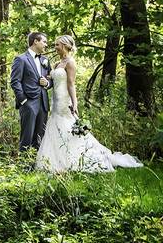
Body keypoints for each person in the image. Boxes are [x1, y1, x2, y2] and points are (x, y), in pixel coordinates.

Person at [36, 35, 143, 173]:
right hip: (55, 100)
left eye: (57, 45)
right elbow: (52, 80)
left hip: (65, 101)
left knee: (67, 127)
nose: (55, 47)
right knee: (55, 126)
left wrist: (75, 103)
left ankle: (78, 158)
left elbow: (71, 84)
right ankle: (56, 160)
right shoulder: (57, 64)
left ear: (65, 46)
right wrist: (45, 81)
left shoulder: (70, 63)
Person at [10, 32, 52, 152]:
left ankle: (36, 166)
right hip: (29, 103)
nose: (46, 45)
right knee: (27, 136)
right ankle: (24, 167)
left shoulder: (45, 60)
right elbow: (15, 82)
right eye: (44, 41)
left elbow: (51, 79)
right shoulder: (21, 59)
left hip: (43, 103)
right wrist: (23, 100)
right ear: (35, 41)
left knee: (40, 137)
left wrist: (47, 84)